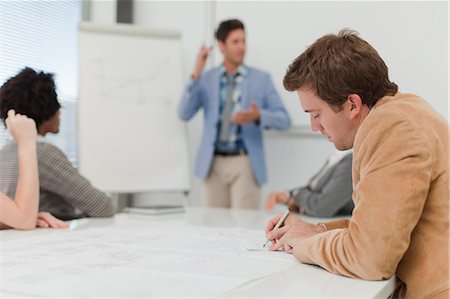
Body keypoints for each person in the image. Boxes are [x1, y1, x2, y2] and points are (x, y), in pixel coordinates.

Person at [265, 29, 448, 298]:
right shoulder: (404, 111)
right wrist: (317, 230)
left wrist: (305, 245)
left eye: (316, 114)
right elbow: (385, 226)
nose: (314, 127)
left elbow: (371, 257)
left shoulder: (392, 128)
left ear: (352, 104)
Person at [179, 19, 291, 209]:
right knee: (214, 229)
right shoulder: (206, 79)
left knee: (244, 226)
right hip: (211, 164)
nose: (242, 47)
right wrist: (196, 72)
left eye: (243, 41)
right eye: (235, 42)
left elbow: (284, 120)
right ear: (221, 45)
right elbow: (184, 112)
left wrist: (258, 116)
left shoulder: (261, 79)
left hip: (245, 163)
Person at [0, 67, 115, 220]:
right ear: (45, 109)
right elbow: (102, 206)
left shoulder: (5, 151)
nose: (60, 112)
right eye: (57, 105)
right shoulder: (41, 152)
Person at [0, 110, 67, 230]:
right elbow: (25, 221)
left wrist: (15, 218)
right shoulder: (46, 152)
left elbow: (23, 219)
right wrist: (27, 142)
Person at [265, 149, 353, 217]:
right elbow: (312, 187)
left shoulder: (350, 161)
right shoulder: (338, 155)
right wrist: (287, 195)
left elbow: (321, 207)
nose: (315, 128)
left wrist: (296, 196)